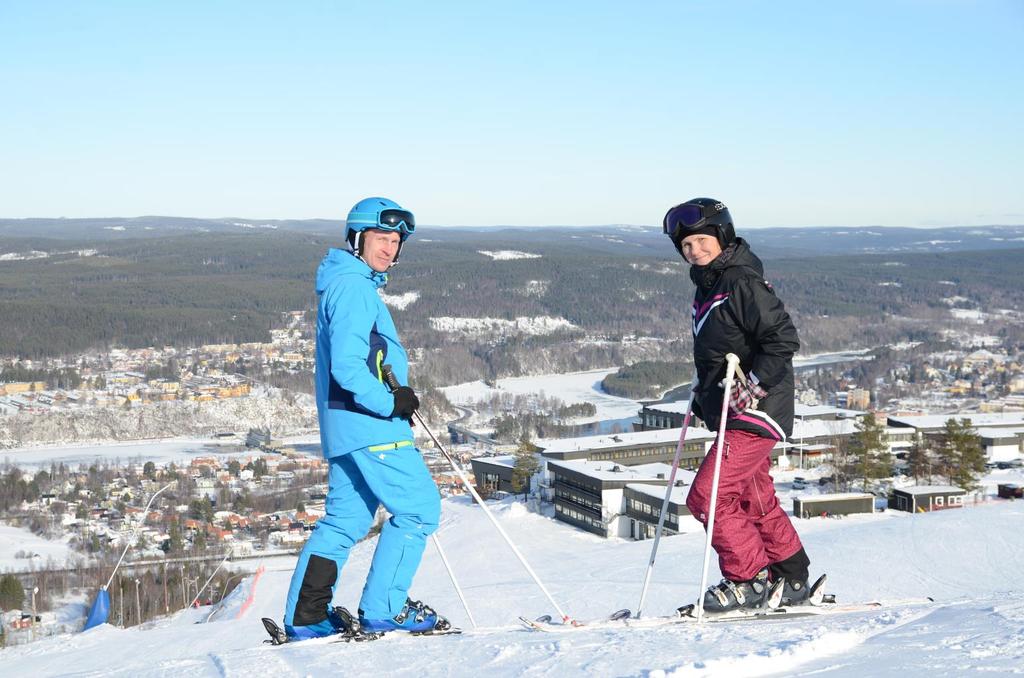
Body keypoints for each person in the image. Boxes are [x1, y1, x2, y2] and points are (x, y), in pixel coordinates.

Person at [281, 196, 443, 640]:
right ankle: (385, 609)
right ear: (358, 238)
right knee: (420, 510)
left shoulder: (346, 282)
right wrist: (390, 403)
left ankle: (308, 615)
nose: (389, 248)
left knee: (344, 523)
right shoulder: (354, 288)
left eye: (396, 241)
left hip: (346, 426)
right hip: (371, 424)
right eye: (381, 238)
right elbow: (349, 367)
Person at [663, 197, 811, 613]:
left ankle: (747, 580)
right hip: (735, 409)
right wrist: (704, 394)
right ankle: (790, 574)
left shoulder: (741, 281)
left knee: (707, 497)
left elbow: (782, 339)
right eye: (686, 245)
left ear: (721, 235)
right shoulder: (710, 282)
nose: (694, 250)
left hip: (755, 410)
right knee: (751, 497)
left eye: (701, 240)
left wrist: (756, 385)